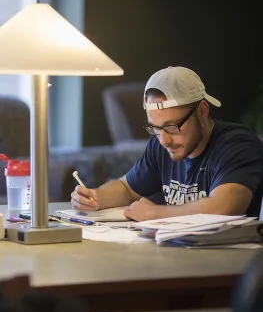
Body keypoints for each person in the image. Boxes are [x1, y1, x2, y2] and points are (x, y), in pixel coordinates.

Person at [71, 66, 263, 221]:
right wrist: (93, 197)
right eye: (155, 128)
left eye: (172, 126)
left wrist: (154, 214)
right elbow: (127, 189)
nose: (164, 140)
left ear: (202, 111)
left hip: (230, 260)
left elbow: (224, 207)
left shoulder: (237, 145)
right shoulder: (161, 142)